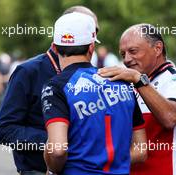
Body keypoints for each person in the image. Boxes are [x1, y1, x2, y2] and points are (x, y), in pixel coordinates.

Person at [0, 6, 100, 175]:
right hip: (37, 170)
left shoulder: (93, 73)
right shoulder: (28, 72)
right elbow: (3, 130)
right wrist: (55, 141)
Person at [42, 12, 147, 175]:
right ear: (92, 47)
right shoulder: (121, 81)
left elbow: (57, 150)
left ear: (54, 48)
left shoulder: (55, 87)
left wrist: (51, 168)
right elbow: (141, 150)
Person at [98, 24, 176, 175]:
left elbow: (170, 117)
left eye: (133, 51)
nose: (127, 59)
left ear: (158, 48)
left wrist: (137, 80)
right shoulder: (135, 83)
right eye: (123, 54)